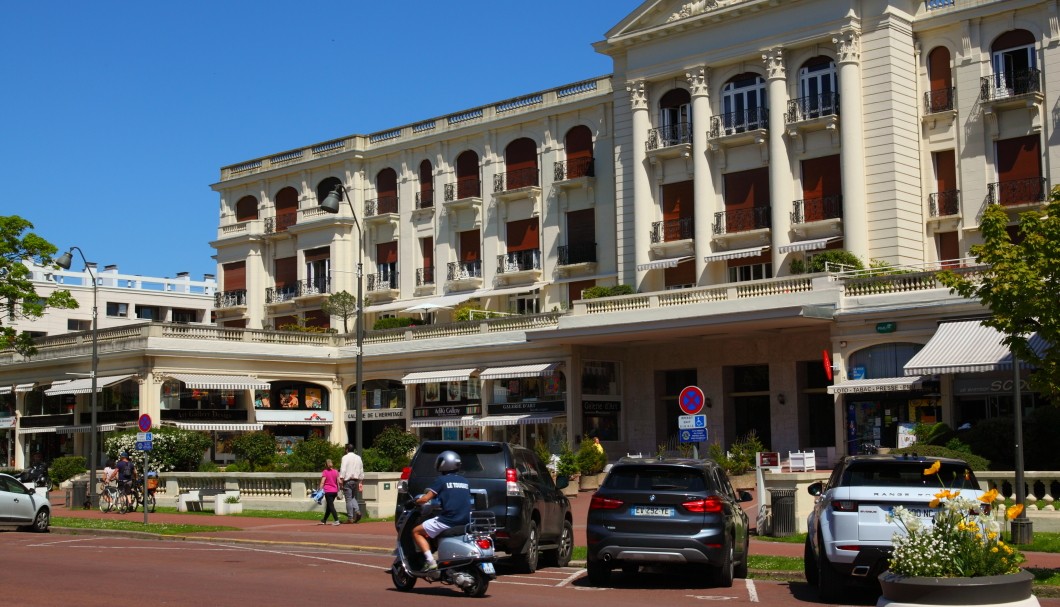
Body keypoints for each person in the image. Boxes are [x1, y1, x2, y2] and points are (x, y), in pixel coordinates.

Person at [411, 450, 471, 572]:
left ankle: (430, 561)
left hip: (449, 520)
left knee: (416, 531)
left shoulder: (441, 480)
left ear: (444, 463)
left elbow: (426, 498)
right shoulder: (465, 481)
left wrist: (414, 502)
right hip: (465, 519)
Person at [339, 444, 364, 524]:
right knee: (352, 497)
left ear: (346, 450)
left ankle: (350, 517)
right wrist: (361, 480)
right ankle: (357, 511)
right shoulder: (358, 458)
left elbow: (343, 469)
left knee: (348, 499)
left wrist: (341, 479)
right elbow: (361, 469)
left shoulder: (345, 457)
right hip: (355, 480)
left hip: (348, 480)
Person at [318, 458, 341, 526]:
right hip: (334, 491)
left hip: (328, 491)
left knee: (331, 506)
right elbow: (339, 481)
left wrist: (320, 489)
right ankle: (324, 520)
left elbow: (322, 482)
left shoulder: (325, 472)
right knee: (329, 506)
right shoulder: (336, 471)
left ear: (326, 464)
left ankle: (336, 520)